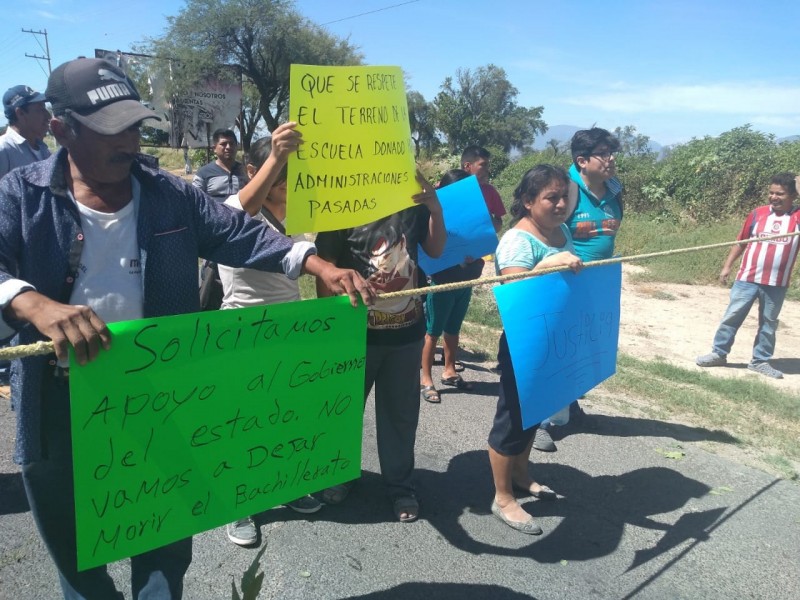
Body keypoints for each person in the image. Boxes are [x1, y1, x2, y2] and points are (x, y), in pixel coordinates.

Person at [0, 57, 373, 599]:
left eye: (134, 125)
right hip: (56, 403)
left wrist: (317, 264)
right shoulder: (19, 194)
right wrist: (32, 302)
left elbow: (240, 234)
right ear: (62, 129)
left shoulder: (168, 194)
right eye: (110, 129)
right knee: (77, 555)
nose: (128, 141)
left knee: (164, 541)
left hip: (161, 396)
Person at [315, 173, 446, 522]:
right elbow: (324, 270)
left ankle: (400, 487)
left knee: (401, 415)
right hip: (355, 336)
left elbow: (435, 249)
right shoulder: (340, 206)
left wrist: (434, 207)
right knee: (344, 410)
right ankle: (338, 475)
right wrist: (329, 329)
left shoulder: (412, 204)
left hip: (407, 336)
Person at [218, 125, 324, 546]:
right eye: (284, 174)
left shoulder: (304, 214)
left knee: (285, 415)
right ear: (253, 170)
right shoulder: (233, 208)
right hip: (242, 331)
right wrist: (276, 157)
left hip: (290, 330)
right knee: (242, 422)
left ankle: (284, 484)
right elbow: (236, 218)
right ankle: (237, 501)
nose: (291, 182)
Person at [489, 164, 582, 535]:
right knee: (511, 421)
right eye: (551, 197)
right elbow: (513, 293)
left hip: (554, 342)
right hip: (524, 345)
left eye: (565, 197)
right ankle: (502, 497)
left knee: (535, 414)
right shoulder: (517, 241)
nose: (561, 204)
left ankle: (522, 475)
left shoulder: (560, 231)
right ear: (528, 201)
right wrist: (548, 263)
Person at [534, 127, 624, 451]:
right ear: (582, 160)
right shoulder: (565, 189)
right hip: (562, 283)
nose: (611, 159)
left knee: (581, 348)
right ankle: (538, 422)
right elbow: (541, 230)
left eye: (612, 153)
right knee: (555, 351)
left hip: (596, 284)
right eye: (604, 154)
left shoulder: (614, 189)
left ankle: (570, 408)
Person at [696, 172, 799, 379]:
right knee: (732, 317)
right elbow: (741, 242)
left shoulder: (797, 218)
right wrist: (727, 267)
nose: (774, 197)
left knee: (769, 324)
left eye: (780, 194)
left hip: (776, 284)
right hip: (747, 279)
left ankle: (760, 361)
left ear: (792, 196)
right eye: (771, 193)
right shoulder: (757, 214)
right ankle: (719, 353)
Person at [419, 169, 483, 403]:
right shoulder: (432, 213)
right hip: (442, 283)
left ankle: (449, 370)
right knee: (432, 332)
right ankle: (426, 379)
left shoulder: (473, 214)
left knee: (454, 330)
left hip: (464, 282)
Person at [0, 84, 51, 179]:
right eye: (40, 109)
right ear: (20, 113)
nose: (48, 116)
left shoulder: (43, 149)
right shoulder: (3, 150)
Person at [192, 128, 249, 201]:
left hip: (241, 211)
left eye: (231, 144)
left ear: (236, 147)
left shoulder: (245, 171)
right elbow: (194, 198)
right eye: (223, 144)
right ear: (214, 148)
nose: (228, 147)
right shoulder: (203, 173)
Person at [460, 145, 506, 232]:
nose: (488, 169)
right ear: (467, 166)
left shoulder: (490, 191)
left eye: (487, 165)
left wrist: (485, 216)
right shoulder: (447, 188)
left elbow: (498, 227)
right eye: (483, 165)